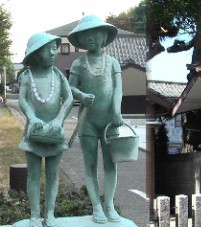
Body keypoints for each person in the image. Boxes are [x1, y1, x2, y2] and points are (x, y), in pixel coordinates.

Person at [67, 15, 124, 223]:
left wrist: (117, 111)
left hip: (110, 120)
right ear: (81, 40)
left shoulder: (112, 62)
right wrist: (81, 96)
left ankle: (109, 204)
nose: (91, 38)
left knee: (111, 164)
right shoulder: (78, 63)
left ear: (104, 36)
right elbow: (70, 88)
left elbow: (118, 89)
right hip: (87, 120)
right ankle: (96, 207)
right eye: (86, 36)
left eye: (95, 34)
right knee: (90, 164)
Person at [17, 32, 73, 227]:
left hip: (54, 133)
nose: (52, 53)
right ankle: (34, 214)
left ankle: (50, 213)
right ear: (35, 54)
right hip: (33, 133)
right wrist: (32, 118)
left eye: (53, 49)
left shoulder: (57, 75)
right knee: (33, 174)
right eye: (46, 50)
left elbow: (69, 99)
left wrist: (58, 120)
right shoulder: (26, 76)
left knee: (53, 175)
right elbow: (23, 99)